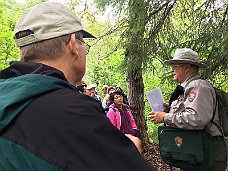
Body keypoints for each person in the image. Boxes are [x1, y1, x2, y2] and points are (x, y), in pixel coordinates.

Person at [0, 2, 156, 171]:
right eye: (84, 45)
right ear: (73, 44)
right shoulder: (75, 112)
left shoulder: (7, 98)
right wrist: (130, 150)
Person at [148, 48, 227, 171]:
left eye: (175, 66)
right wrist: (170, 110)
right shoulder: (189, 87)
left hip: (206, 151)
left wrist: (165, 117)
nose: (172, 69)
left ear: (186, 67)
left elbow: (197, 119)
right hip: (196, 150)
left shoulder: (198, 86)